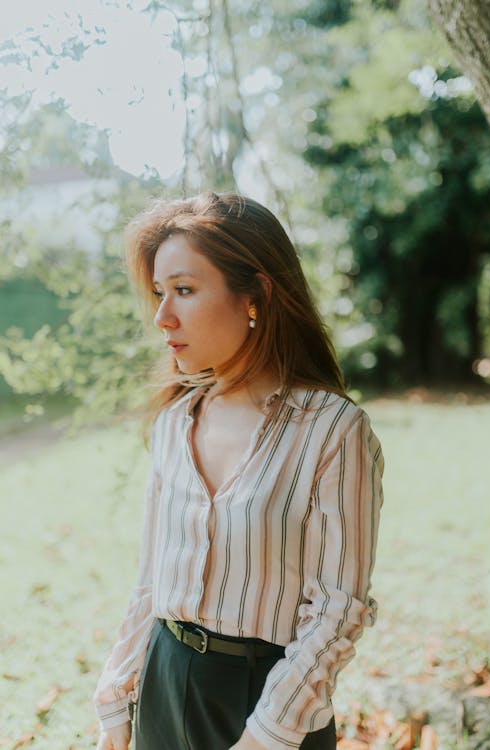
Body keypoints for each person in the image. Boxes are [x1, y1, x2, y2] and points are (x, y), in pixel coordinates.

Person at [94, 191, 384, 750]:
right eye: (159, 293)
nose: (162, 317)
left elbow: (337, 608)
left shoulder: (331, 430)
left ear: (255, 295)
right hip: (163, 679)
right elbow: (152, 579)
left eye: (184, 290)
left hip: (270, 701)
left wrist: (264, 736)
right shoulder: (174, 423)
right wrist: (117, 693)